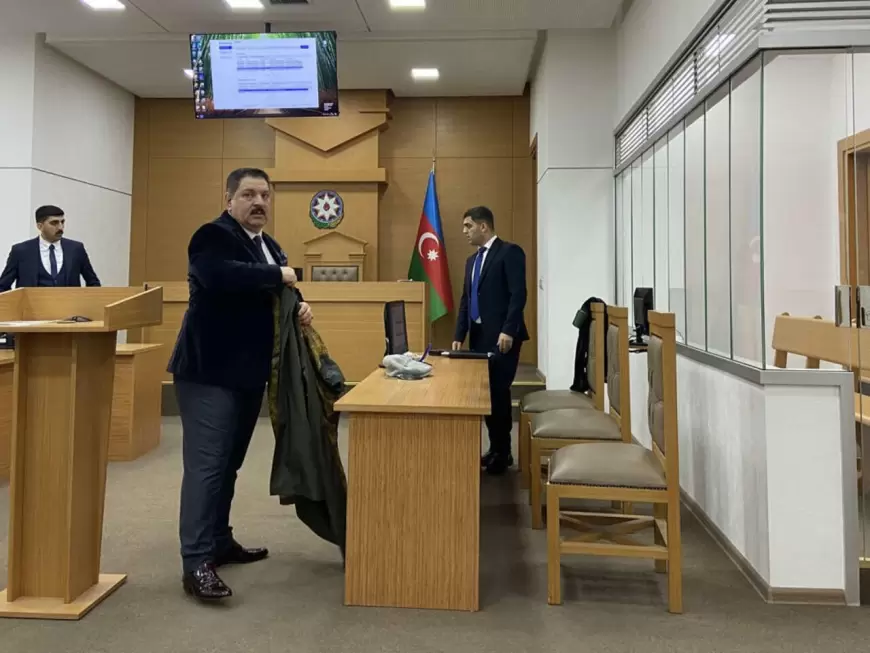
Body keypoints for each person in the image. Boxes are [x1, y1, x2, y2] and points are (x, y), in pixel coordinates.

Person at [167, 167, 313, 602]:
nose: (259, 202)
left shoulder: (270, 245)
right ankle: (196, 563)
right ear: (229, 199)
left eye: (265, 195)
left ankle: (219, 541)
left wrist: (300, 305)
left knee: (228, 465)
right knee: (207, 468)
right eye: (248, 194)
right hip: (208, 374)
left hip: (248, 375)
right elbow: (219, 276)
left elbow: (278, 292)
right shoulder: (211, 235)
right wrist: (280, 275)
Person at [452, 206, 529, 475]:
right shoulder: (471, 261)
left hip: (503, 337)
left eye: (468, 226)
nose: (464, 231)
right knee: (486, 394)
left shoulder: (509, 252)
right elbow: (466, 300)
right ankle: (494, 448)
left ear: (483, 226)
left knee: (499, 392)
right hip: (479, 337)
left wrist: (508, 329)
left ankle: (504, 452)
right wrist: (459, 335)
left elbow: (518, 294)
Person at [0, 205, 101, 291]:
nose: (60, 227)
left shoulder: (76, 249)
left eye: (62, 222)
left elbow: (93, 283)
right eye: (54, 223)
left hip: (69, 307)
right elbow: (3, 286)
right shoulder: (21, 251)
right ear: (40, 226)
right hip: (32, 308)